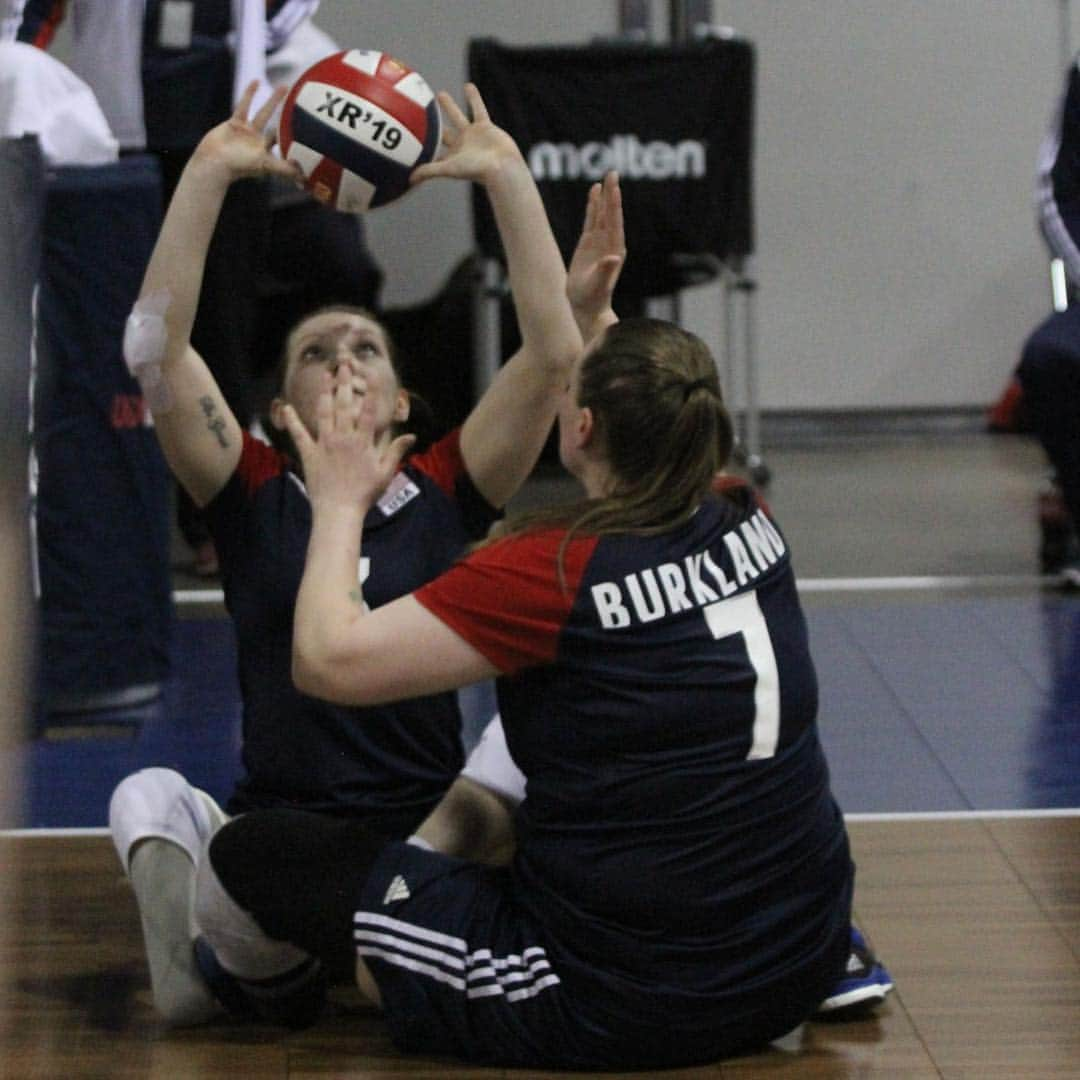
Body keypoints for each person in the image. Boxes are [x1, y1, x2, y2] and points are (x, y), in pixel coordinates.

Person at [191, 93, 891, 1061]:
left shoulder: (547, 569)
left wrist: (344, 498)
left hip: (626, 994)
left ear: (584, 428)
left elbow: (325, 660)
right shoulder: (745, 516)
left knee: (252, 855)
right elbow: (576, 370)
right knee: (540, 752)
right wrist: (543, 238)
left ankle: (359, 973)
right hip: (797, 945)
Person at [107, 77, 626, 1026]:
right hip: (284, 835)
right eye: (316, 354)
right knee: (144, 797)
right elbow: (154, 346)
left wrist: (505, 173)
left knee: (525, 737)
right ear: (279, 410)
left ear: (399, 405)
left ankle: (308, 961)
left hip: (426, 838)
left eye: (365, 353)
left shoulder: (445, 483)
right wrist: (210, 174)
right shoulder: (249, 489)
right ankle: (257, 960)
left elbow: (556, 359)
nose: (344, 362)